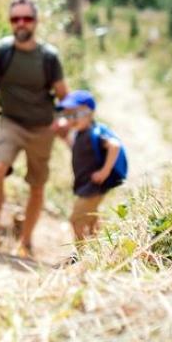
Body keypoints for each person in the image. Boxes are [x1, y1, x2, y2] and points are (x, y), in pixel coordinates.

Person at [0, 0, 69, 257]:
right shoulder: (0, 51)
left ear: (36, 22)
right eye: (16, 19)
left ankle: (26, 241)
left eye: (27, 18)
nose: (21, 23)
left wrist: (67, 122)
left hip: (42, 128)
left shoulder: (49, 57)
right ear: (10, 22)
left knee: (37, 185)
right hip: (10, 123)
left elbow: (63, 95)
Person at [55, 90, 125, 242]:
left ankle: (81, 253)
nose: (71, 120)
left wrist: (104, 172)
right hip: (86, 184)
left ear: (90, 113)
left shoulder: (95, 133)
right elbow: (78, 151)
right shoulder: (80, 134)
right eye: (67, 115)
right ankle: (97, 246)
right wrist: (64, 139)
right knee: (92, 219)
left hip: (94, 186)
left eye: (75, 115)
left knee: (76, 220)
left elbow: (114, 146)